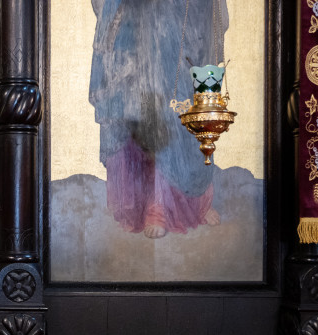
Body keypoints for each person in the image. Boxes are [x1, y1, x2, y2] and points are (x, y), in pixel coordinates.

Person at [89, 0, 228, 238]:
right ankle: (156, 203)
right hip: (141, 16)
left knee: (186, 92)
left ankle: (197, 199)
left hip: (184, 11)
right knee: (148, 99)